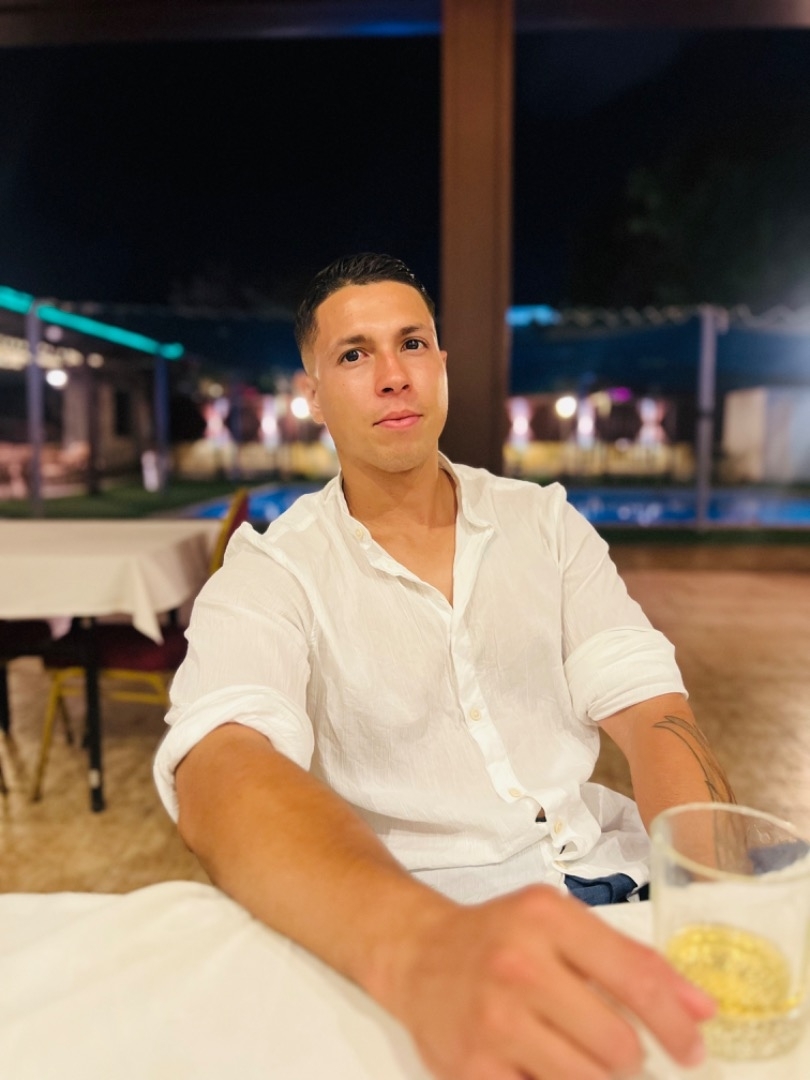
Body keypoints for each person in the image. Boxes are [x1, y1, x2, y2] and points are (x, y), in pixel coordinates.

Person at [155, 253, 732, 1080]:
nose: (393, 375)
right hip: (414, 924)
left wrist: (716, 889)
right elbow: (221, 765)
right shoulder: (273, 571)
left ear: (442, 364)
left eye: (413, 343)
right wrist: (420, 948)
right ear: (312, 393)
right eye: (354, 354)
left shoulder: (545, 523)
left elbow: (652, 710)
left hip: (611, 884)